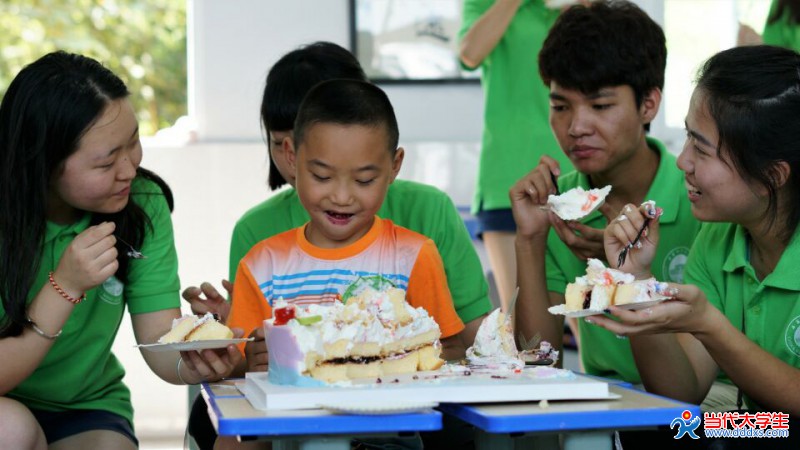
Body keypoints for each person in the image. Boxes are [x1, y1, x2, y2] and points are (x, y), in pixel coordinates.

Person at [0, 51, 241, 450]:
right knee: (11, 430)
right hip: (5, 405)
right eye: (107, 161)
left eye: (133, 143)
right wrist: (65, 286)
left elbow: (159, 340)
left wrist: (197, 354)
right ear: (41, 162)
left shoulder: (142, 203)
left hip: (86, 407)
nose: (129, 169)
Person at [593, 45, 800, 439]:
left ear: (773, 175)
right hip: (770, 427)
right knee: (664, 428)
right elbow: (679, 393)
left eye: (701, 149)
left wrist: (711, 326)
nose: (682, 161)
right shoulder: (718, 237)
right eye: (688, 137)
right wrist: (636, 281)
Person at [510, 0, 701, 384]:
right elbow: (536, 366)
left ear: (648, 104)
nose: (577, 126)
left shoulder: (699, 197)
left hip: (709, 410)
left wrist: (627, 273)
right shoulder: (558, 206)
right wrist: (531, 239)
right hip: (608, 405)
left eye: (600, 105)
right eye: (561, 106)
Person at [458, 0, 574, 308]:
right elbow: (469, 54)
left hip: (575, 175)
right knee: (521, 322)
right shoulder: (485, 5)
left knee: (588, 318)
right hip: (505, 178)